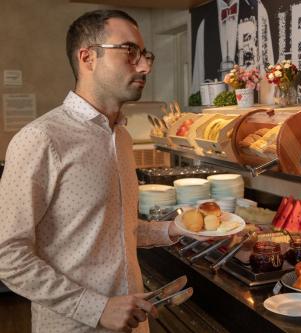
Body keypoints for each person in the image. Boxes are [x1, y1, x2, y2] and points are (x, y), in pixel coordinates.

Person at [0, 9, 200, 333]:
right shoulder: (41, 139)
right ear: (87, 57)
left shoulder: (120, 136)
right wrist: (97, 308)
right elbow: (7, 256)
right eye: (129, 51)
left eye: (145, 54)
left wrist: (173, 230)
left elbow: (114, 229)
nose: (145, 65)